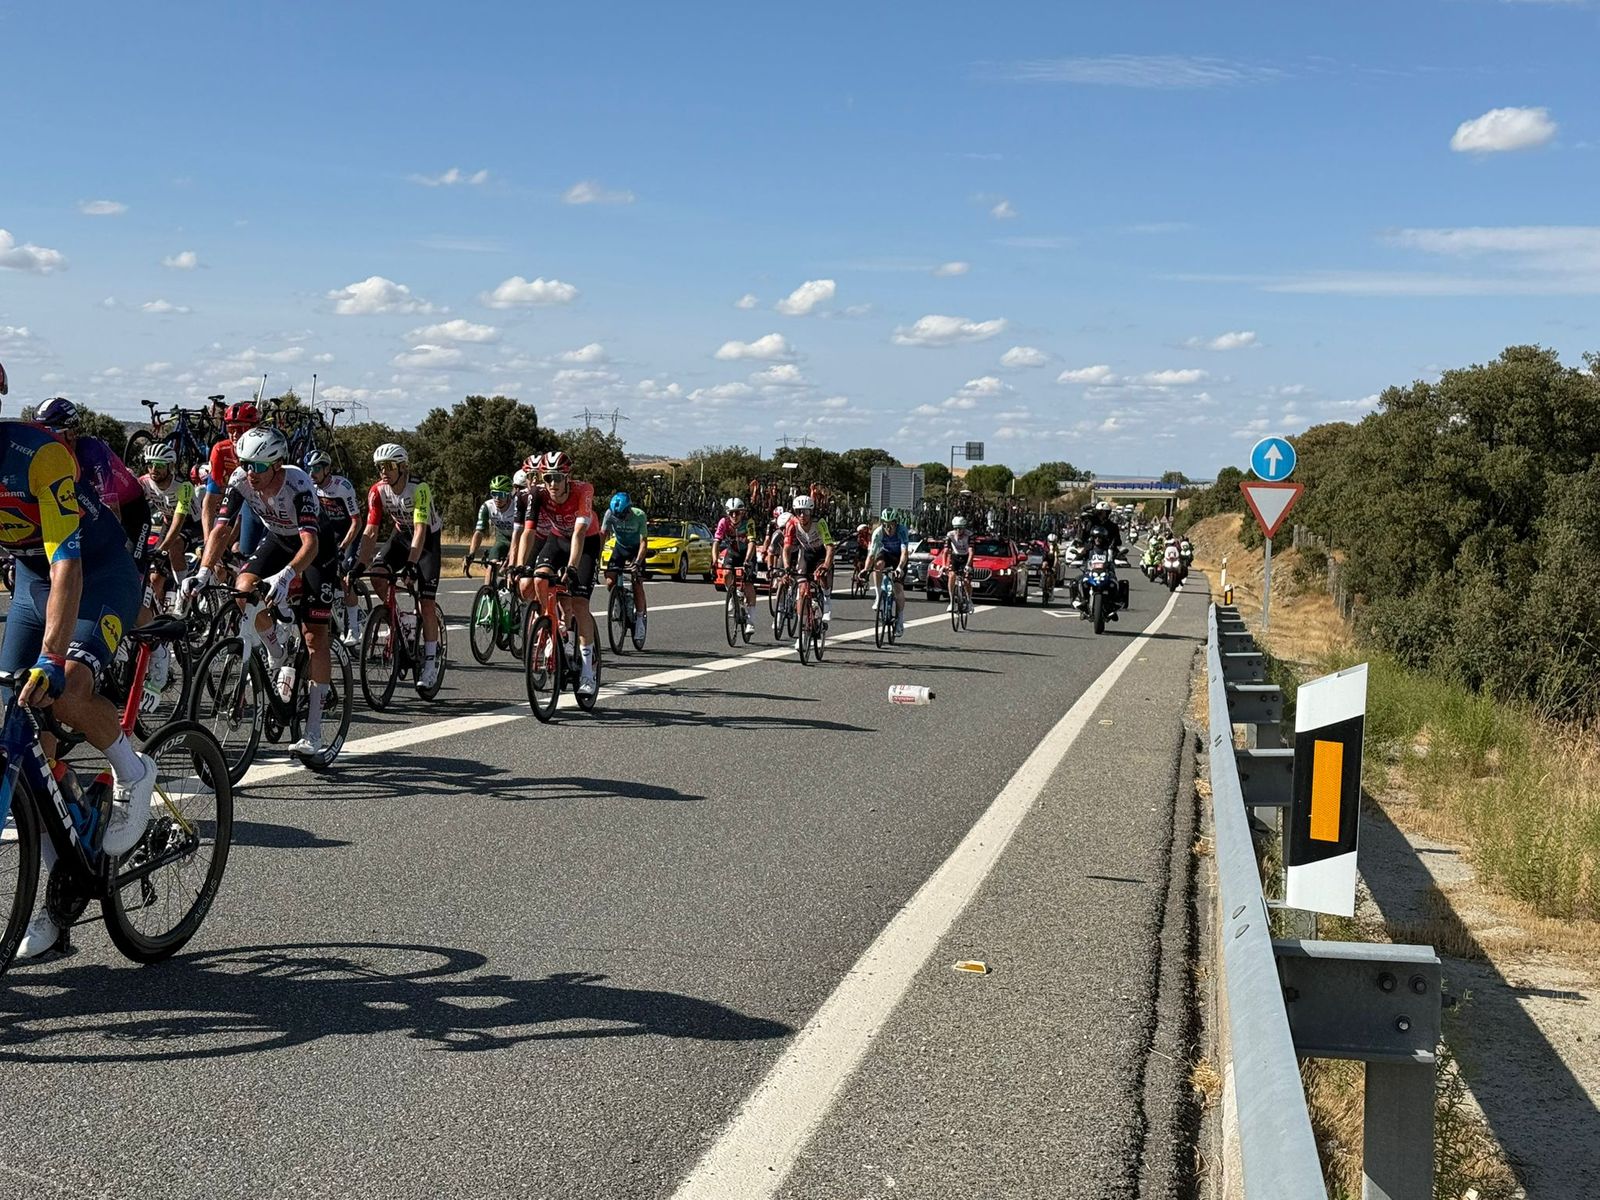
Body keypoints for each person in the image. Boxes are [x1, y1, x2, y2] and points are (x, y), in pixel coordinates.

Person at [0, 417, 154, 956]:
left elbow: (68, 563)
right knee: (21, 746)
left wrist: (51, 657)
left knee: (62, 687)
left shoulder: (38, 456)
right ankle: (57, 903)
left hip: (97, 572)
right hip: (30, 582)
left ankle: (134, 772)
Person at [183, 426, 338, 764]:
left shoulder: (297, 484)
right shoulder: (240, 479)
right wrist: (203, 572)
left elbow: (309, 545)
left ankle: (313, 731)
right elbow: (222, 528)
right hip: (280, 540)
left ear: (277, 465)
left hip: (316, 549)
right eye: (246, 463)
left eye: (258, 466)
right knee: (242, 591)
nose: (250, 472)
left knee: (314, 636)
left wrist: (285, 577)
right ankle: (277, 651)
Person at [356, 443, 445, 690]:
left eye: (389, 466)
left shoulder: (419, 488)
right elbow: (371, 530)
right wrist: (359, 563)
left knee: (425, 603)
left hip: (426, 541)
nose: (384, 471)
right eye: (380, 467)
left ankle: (429, 663)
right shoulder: (377, 491)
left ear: (402, 467)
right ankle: (400, 620)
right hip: (399, 536)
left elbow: (420, 530)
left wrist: (410, 564)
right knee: (377, 574)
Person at [515, 449, 601, 697]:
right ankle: (551, 625)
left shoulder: (583, 490)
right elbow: (528, 532)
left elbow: (579, 533)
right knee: (539, 578)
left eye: (556, 477)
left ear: (567, 477)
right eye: (546, 478)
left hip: (585, 543)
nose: (551, 484)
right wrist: (521, 565)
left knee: (579, 603)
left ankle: (587, 670)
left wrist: (572, 567)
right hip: (556, 539)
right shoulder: (538, 493)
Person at [34, 397, 150, 550]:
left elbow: (113, 511)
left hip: (131, 508)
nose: (44, 440)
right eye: (39, 433)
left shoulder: (92, 450)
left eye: (51, 433)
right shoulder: (50, 456)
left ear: (72, 432)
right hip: (94, 509)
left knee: (129, 565)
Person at [304, 449, 365, 648]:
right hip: (328, 534)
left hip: (349, 533)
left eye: (316, 469)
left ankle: (354, 627)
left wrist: (344, 546)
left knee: (346, 576)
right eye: (309, 469)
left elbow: (356, 521)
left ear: (327, 469)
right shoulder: (310, 486)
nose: (312, 473)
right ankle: (336, 605)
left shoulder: (342, 487)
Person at [138, 441, 198, 613]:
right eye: (150, 464)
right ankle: (161, 614)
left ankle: (183, 593)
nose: (153, 469)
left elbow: (179, 521)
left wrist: (163, 549)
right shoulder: (144, 482)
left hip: (192, 524)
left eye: (159, 465)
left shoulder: (183, 486)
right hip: (167, 522)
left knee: (174, 546)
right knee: (155, 578)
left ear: (170, 466)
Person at [201, 401, 262, 550]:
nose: (235, 434)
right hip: (232, 502)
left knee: (238, 548)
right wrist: (208, 539)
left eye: (241, 429)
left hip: (258, 504)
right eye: (230, 428)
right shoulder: (220, 450)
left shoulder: (262, 452)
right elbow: (210, 500)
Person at [781, 494, 834, 642]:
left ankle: (827, 599)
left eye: (806, 511)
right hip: (806, 553)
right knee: (802, 589)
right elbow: (786, 548)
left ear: (812, 512)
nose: (802, 515)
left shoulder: (820, 523)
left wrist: (826, 565)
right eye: (799, 512)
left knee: (821, 575)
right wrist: (786, 567)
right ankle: (802, 633)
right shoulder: (792, 523)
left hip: (822, 553)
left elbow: (829, 546)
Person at [601, 490, 650, 642]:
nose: (620, 519)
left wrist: (637, 563)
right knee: (610, 581)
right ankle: (618, 600)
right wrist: (596, 559)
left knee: (637, 582)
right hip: (620, 547)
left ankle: (640, 619)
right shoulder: (610, 514)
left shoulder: (639, 516)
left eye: (622, 515)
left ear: (629, 509)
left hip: (636, 549)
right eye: (618, 516)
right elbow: (603, 536)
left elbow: (644, 543)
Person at [712, 496, 758, 637]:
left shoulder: (749, 522)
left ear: (742, 513)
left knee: (749, 585)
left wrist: (748, 560)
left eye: (737, 512)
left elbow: (751, 543)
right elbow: (716, 542)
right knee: (726, 574)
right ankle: (732, 596)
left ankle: (751, 621)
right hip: (733, 553)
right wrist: (714, 560)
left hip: (747, 554)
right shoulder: (723, 522)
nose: (734, 516)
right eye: (731, 512)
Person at [867, 507, 909, 637]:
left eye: (891, 524)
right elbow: (872, 554)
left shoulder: (902, 531)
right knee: (878, 565)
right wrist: (865, 570)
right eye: (885, 524)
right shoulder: (878, 532)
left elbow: (904, 552)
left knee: (898, 589)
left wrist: (899, 568)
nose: (888, 528)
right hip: (885, 554)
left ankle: (900, 620)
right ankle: (879, 595)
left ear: (896, 523)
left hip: (898, 558)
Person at [466, 475, 518, 570]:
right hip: (503, 539)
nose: (497, 498)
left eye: (501, 494)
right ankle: (488, 584)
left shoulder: (517, 506)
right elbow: (479, 532)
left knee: (514, 569)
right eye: (494, 493)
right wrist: (471, 554)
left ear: (508, 495)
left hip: (519, 539)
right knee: (491, 564)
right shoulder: (487, 506)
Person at [944, 515, 973, 612]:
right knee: (951, 576)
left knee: (966, 581)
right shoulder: (950, 535)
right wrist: (945, 565)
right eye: (956, 528)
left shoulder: (969, 535)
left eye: (960, 528)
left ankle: (969, 601)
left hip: (966, 557)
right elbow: (945, 551)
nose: (958, 531)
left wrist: (968, 565)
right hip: (955, 557)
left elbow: (971, 552)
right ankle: (952, 602)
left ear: (964, 528)